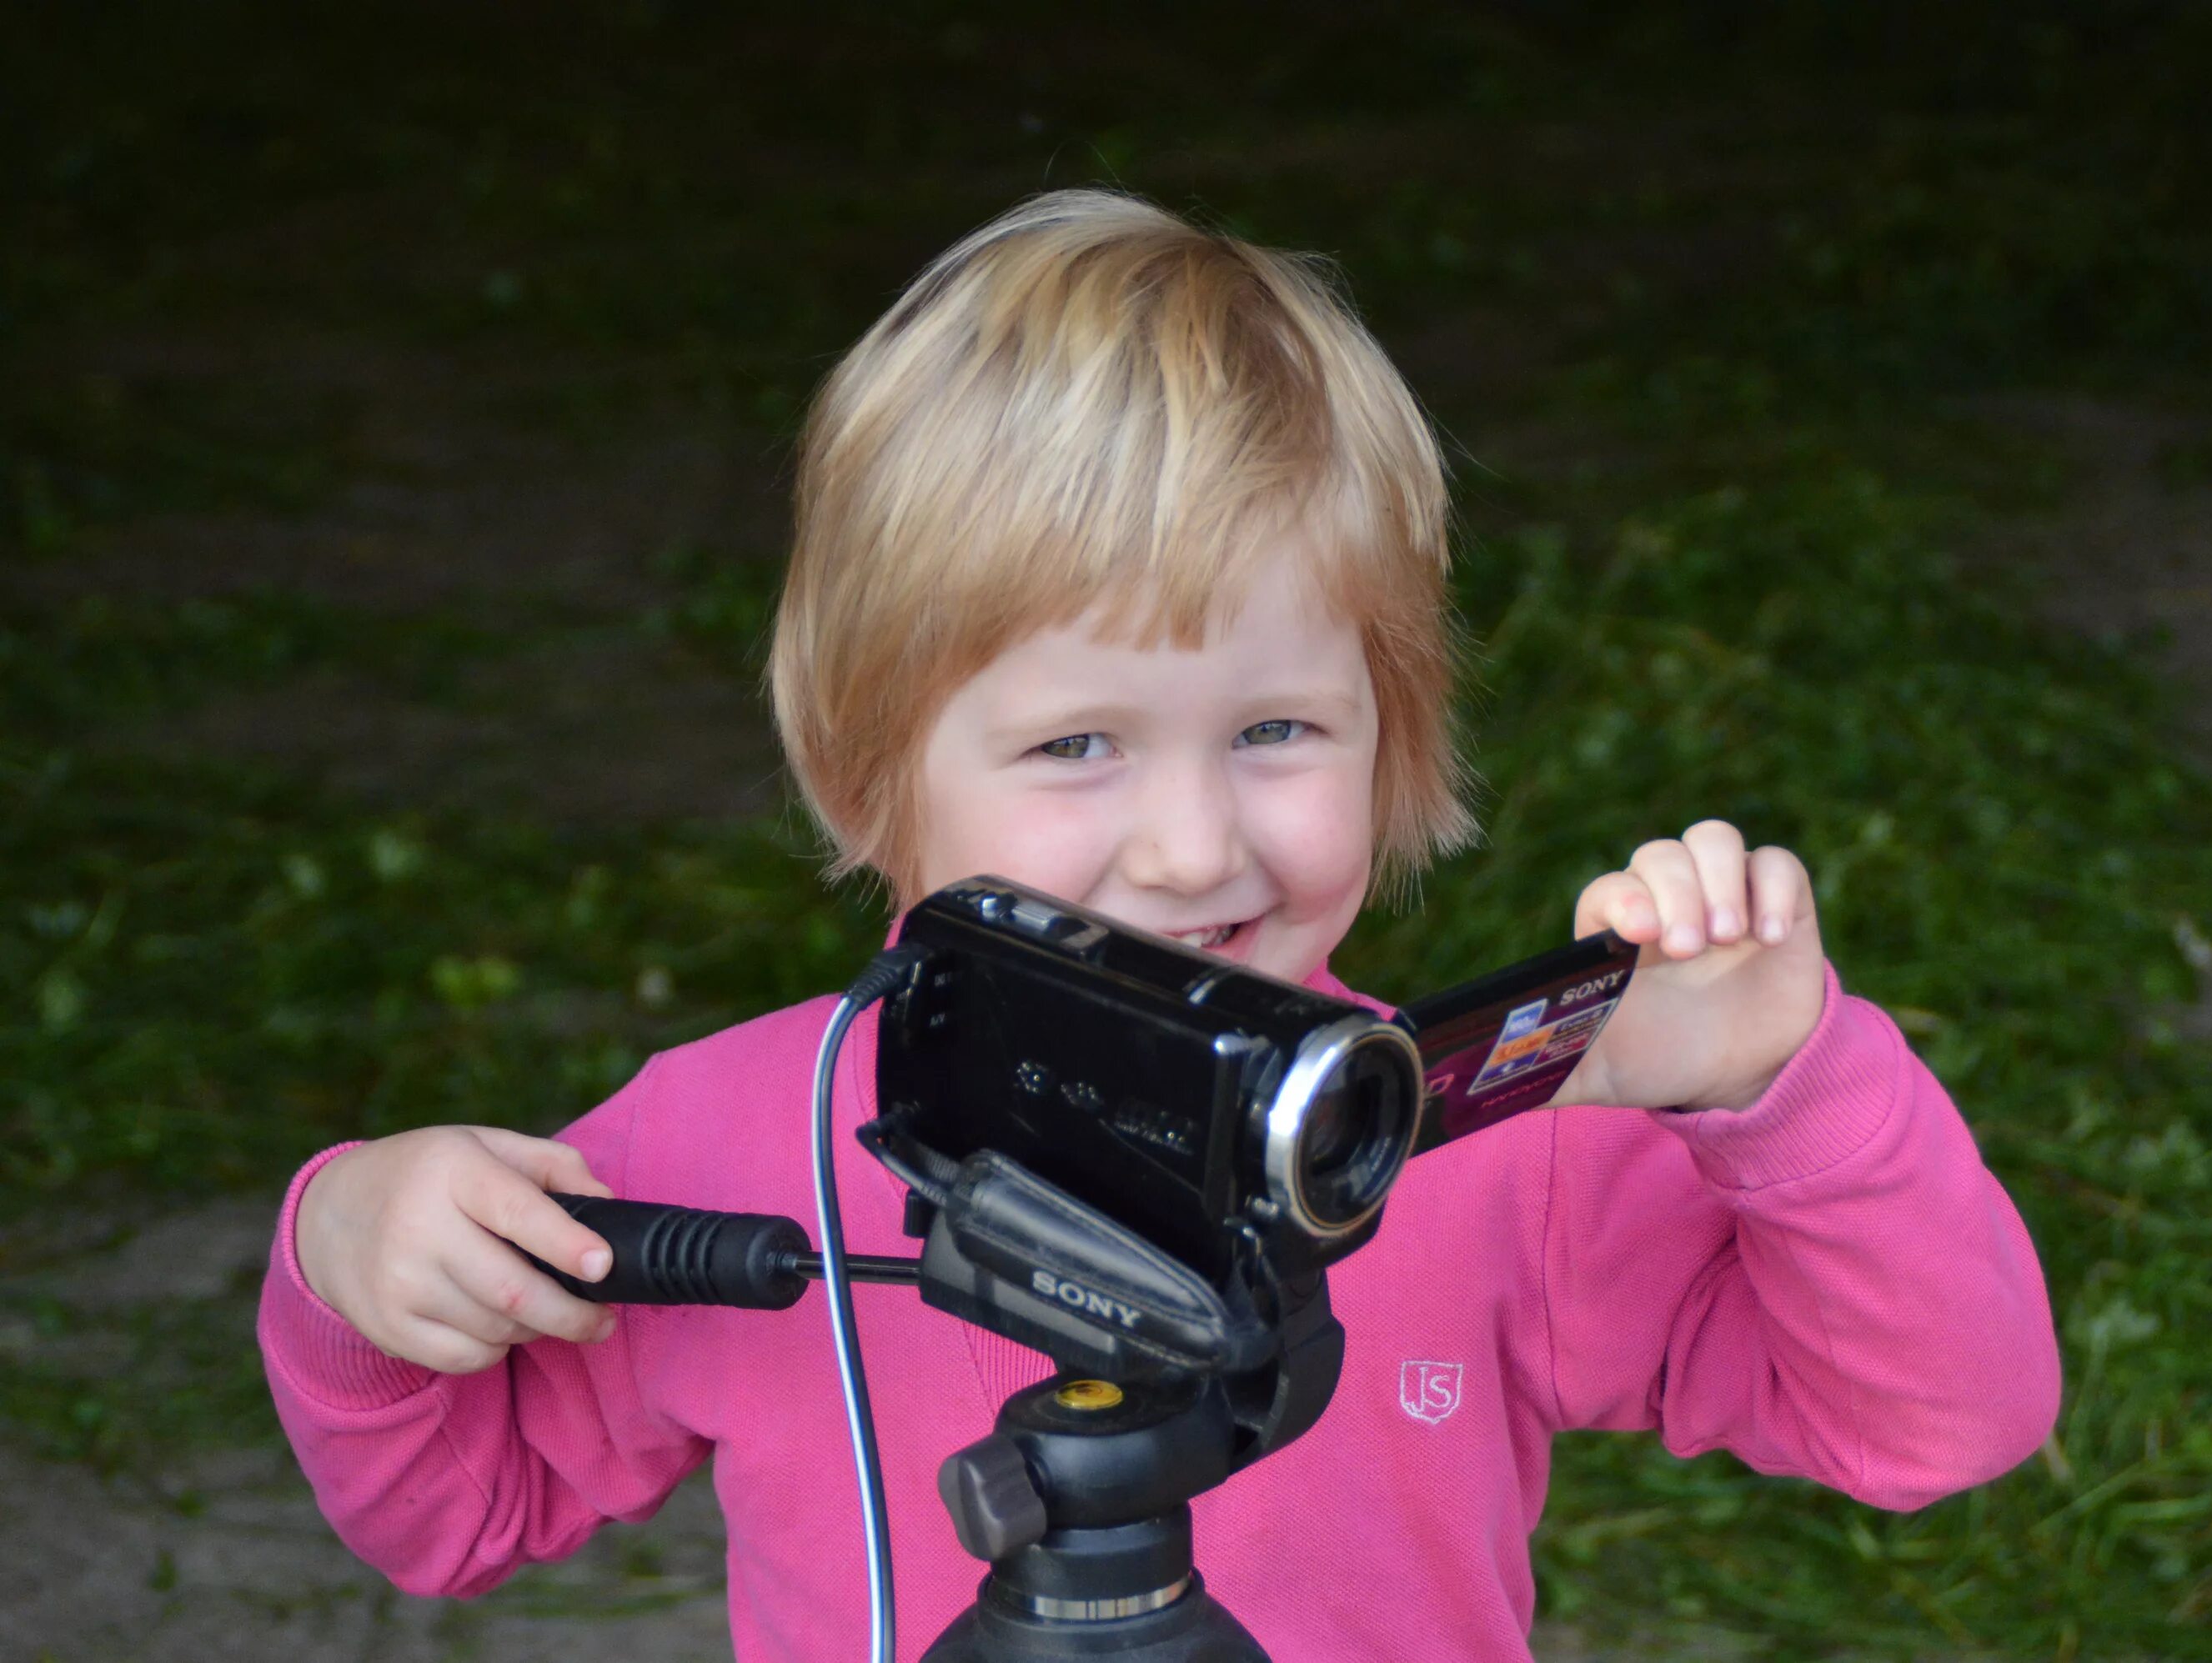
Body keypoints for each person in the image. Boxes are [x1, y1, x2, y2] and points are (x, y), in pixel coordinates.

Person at [260, 189, 2060, 1660]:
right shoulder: (735, 1149)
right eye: (1075, 744)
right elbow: (457, 1514)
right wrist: (346, 1249)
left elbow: (1937, 1421)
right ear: (869, 770)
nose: (1194, 847)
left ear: (1396, 737)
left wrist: (1783, 1085)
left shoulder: (1457, 1138)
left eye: (1277, 730)